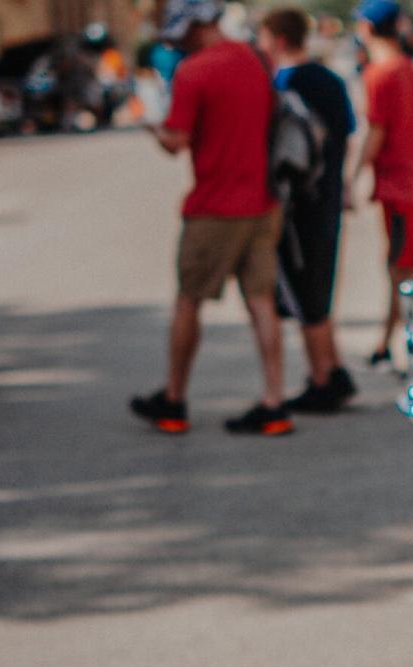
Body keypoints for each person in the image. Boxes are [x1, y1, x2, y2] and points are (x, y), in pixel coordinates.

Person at [130, 0, 293, 436]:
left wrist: (152, 127)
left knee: (189, 301)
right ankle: (275, 401)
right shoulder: (256, 59)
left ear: (198, 26)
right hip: (263, 202)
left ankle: (174, 400)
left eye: (183, 34)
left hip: (215, 207)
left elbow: (177, 141)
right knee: (261, 302)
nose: (179, 44)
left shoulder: (193, 72)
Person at [258, 6, 357, 412]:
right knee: (321, 283)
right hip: (329, 195)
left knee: (306, 294)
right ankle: (334, 367)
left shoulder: (284, 84)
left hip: (299, 205)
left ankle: (321, 379)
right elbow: (346, 136)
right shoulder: (330, 80)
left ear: (279, 39)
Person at [352, 0, 413, 368]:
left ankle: (412, 348)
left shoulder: (380, 74)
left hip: (399, 188)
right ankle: (389, 343)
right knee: (402, 269)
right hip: (412, 185)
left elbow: (376, 132)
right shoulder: (409, 70)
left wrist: (352, 176)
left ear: (367, 28)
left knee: (402, 273)